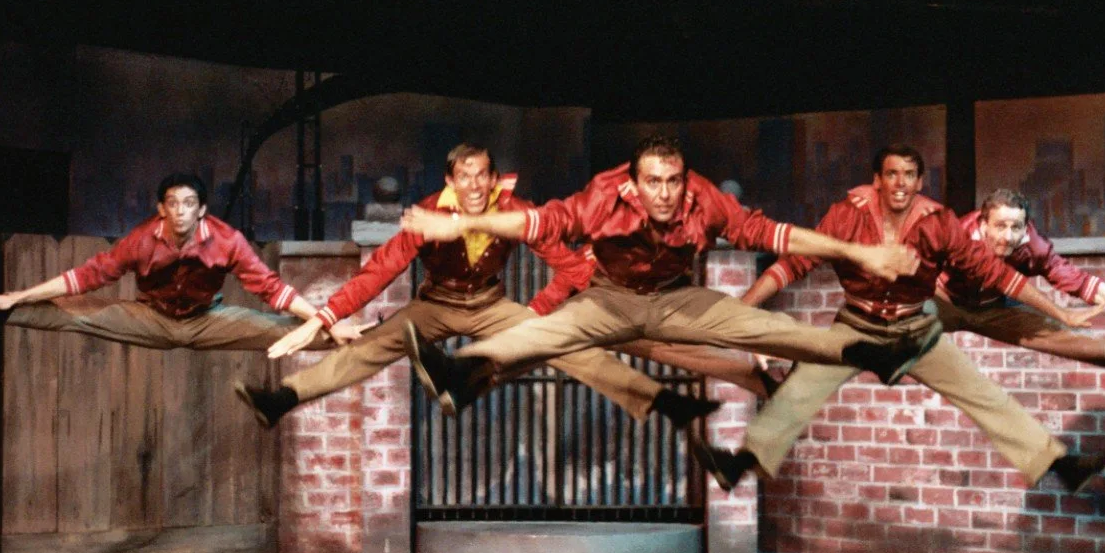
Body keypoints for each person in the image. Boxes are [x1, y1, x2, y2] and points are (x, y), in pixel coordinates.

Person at [396, 136, 937, 429]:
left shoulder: (702, 198)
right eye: (653, 182)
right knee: (545, 335)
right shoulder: (604, 196)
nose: (665, 194)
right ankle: (459, 370)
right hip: (610, 300)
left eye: (673, 182)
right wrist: (461, 222)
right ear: (634, 183)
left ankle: (878, 351)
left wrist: (859, 250)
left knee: (762, 327)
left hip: (677, 299)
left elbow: (772, 234)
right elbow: (539, 223)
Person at [236, 143, 765, 430]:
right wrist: (325, 317)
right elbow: (380, 272)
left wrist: (598, 301)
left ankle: (657, 404)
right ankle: (281, 399)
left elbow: (565, 260)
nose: (473, 185)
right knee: (370, 348)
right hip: (436, 307)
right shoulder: (427, 215)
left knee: (569, 348)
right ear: (450, 181)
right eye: (463, 176)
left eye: (482, 176)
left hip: (491, 307)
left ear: (493, 180)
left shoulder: (513, 211)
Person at [693, 145, 1105, 496]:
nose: (900, 184)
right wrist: (743, 309)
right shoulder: (846, 216)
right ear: (878, 180)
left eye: (909, 175)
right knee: (800, 389)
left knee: (983, 395)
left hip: (915, 330)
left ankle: (1062, 467)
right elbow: (793, 265)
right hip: (857, 325)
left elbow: (997, 274)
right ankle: (740, 464)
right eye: (891, 175)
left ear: (918, 181)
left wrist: (1061, 312)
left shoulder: (939, 223)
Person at [0, 172, 342, 351]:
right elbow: (86, 277)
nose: (180, 212)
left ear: (201, 210)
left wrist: (324, 318)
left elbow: (273, 288)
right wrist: (17, 295)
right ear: (160, 208)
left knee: (282, 328)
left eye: (189, 204)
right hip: (151, 317)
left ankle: (356, 336)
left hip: (207, 321)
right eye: (172, 204)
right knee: (75, 314)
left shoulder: (227, 240)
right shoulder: (141, 240)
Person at [937, 188, 1105, 385]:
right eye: (1000, 226)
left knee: (1068, 336)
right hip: (944, 299)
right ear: (983, 225)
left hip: (995, 306)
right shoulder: (958, 235)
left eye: (1016, 228)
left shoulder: (1034, 248)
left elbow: (1084, 284)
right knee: (904, 326)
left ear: (1025, 228)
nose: (1008, 237)